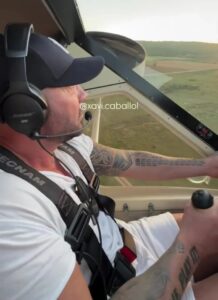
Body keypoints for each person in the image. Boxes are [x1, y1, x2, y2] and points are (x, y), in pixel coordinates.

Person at [0, 25, 218, 300]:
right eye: (69, 85)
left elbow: (129, 161)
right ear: (26, 107)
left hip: (126, 246)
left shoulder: (61, 143)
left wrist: (206, 166)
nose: (83, 94)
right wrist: (190, 242)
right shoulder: (10, 216)